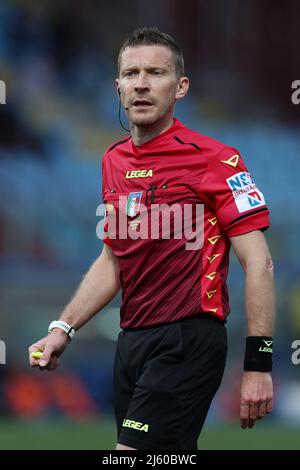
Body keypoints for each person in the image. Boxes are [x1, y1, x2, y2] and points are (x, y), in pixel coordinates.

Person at [29, 26, 275, 451]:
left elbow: (260, 262)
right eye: (132, 73)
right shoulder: (112, 160)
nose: (142, 83)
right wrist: (62, 329)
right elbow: (113, 259)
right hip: (132, 342)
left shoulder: (217, 159)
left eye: (156, 73)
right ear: (118, 86)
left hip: (188, 338)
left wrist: (258, 364)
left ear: (180, 87)